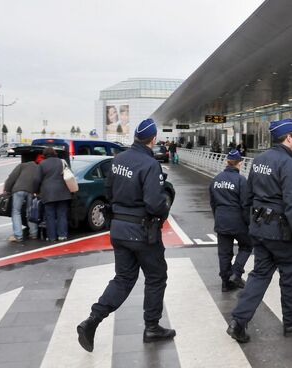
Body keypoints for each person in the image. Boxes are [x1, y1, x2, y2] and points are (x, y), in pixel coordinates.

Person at [77, 118, 174, 352]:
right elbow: (154, 204)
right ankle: (152, 326)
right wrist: (165, 201)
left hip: (118, 229)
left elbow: (108, 191)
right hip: (142, 232)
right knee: (156, 277)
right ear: (152, 139)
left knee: (123, 278)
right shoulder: (150, 165)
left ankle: (93, 319)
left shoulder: (119, 159)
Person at [227, 118, 292, 343]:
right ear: (289, 137)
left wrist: (252, 225)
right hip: (282, 233)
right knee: (291, 276)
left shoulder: (259, 160)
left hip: (260, 229)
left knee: (259, 275)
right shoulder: (289, 164)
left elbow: (248, 197)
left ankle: (238, 321)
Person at [209, 149, 253, 292]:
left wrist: (218, 218)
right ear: (240, 164)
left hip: (221, 220)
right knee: (246, 246)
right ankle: (236, 273)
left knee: (224, 253)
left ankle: (225, 283)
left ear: (226, 162)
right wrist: (249, 223)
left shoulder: (216, 180)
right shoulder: (241, 181)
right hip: (238, 221)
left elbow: (213, 203)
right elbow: (246, 204)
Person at [34, 147, 71, 241]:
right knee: (62, 215)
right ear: (54, 153)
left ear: (44, 155)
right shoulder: (62, 162)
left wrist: (36, 191)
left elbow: (37, 179)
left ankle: (52, 237)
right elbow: (70, 174)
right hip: (63, 192)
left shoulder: (42, 164)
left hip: (48, 193)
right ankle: (62, 235)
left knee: (50, 216)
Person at [4, 159, 40, 242]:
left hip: (18, 190)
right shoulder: (39, 168)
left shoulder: (22, 165)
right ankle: (34, 234)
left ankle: (18, 236)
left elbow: (11, 178)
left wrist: (7, 189)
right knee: (30, 212)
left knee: (16, 212)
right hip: (31, 191)